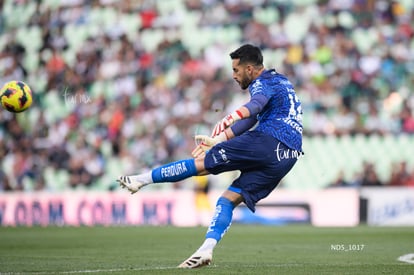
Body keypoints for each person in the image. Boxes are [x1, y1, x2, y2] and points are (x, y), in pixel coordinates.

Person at [117, 44, 303, 268]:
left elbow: (255, 106)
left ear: (251, 69)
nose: (233, 75)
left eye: (236, 70)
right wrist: (220, 138)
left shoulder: (262, 83)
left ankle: (141, 180)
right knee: (228, 199)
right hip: (288, 155)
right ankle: (206, 249)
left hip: (269, 140)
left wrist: (230, 116)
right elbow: (252, 118)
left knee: (202, 164)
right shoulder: (280, 80)